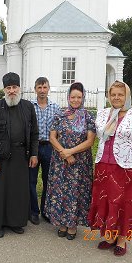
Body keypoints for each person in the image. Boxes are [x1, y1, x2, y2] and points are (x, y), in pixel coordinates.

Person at [88, 80, 132, 256]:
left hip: (127, 169)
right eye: (113, 94)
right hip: (104, 165)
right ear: (108, 96)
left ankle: (122, 239)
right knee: (107, 202)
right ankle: (110, 236)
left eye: (120, 94)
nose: (116, 98)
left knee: (124, 204)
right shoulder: (103, 113)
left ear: (127, 96)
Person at [0, 72, 39, 238]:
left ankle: (15, 222)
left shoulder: (28, 107)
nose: (12, 91)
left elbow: (34, 133)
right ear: (4, 89)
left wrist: (34, 154)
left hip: (21, 155)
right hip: (1, 157)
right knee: (0, 191)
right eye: (8, 88)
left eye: (14, 87)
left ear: (19, 88)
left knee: (17, 191)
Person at [43, 82, 96, 240]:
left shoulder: (87, 116)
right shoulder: (60, 115)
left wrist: (71, 152)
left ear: (83, 98)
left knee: (76, 193)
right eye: (73, 97)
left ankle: (72, 225)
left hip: (79, 164)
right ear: (68, 97)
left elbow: (90, 141)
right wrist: (64, 153)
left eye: (79, 97)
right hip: (60, 163)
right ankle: (62, 223)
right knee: (61, 192)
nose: (75, 100)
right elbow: (52, 137)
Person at [30, 77, 60, 225]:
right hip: (33, 148)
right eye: (39, 87)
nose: (42, 90)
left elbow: (60, 129)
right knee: (31, 181)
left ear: (48, 88)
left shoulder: (55, 107)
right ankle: (33, 211)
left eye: (44, 87)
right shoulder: (29, 106)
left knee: (48, 180)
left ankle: (46, 211)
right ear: (35, 88)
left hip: (49, 147)